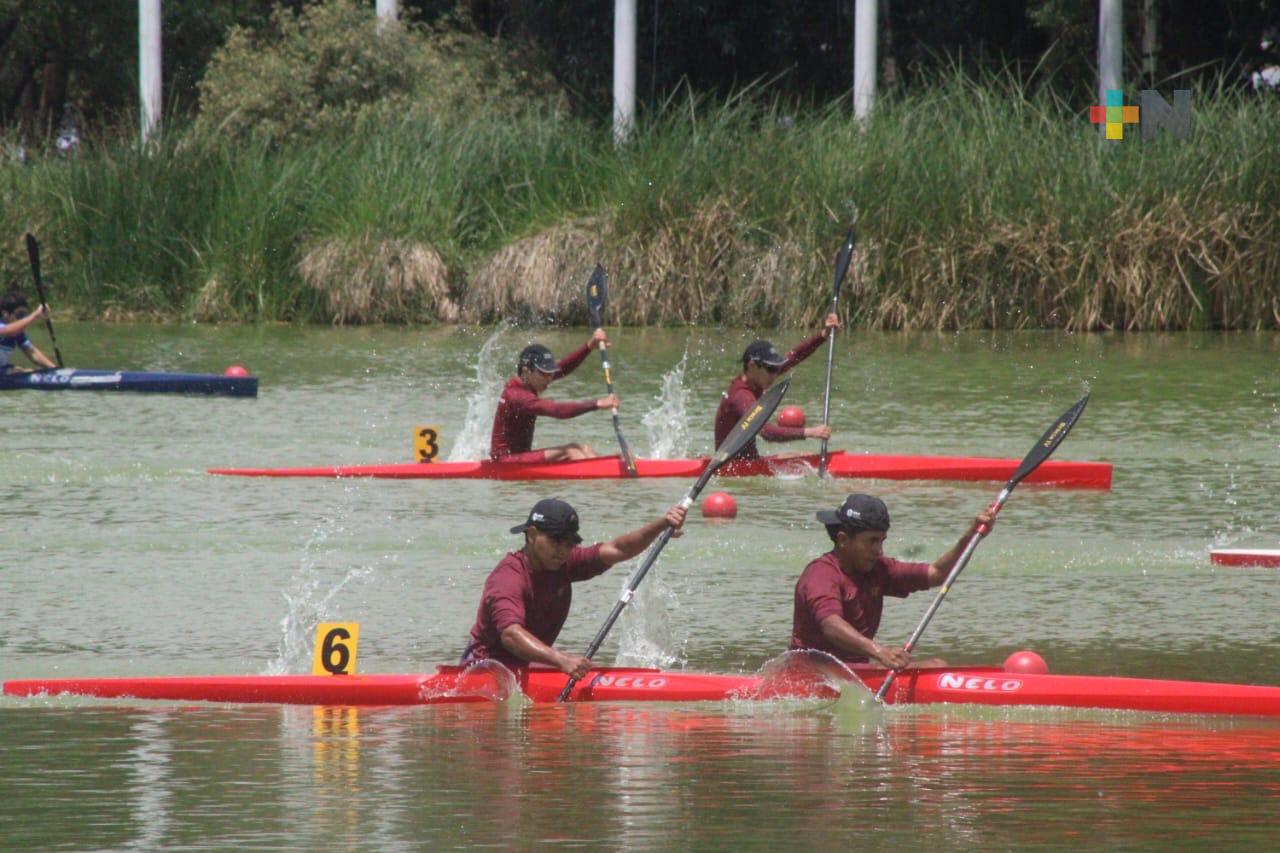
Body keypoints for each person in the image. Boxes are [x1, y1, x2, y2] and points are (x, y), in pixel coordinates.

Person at [461, 497, 689, 678]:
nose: (563, 550)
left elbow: (618, 549)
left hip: (528, 668)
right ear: (531, 535)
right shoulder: (508, 578)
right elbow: (510, 635)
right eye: (556, 541)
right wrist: (562, 660)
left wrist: (661, 525)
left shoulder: (564, 562)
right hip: (485, 673)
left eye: (570, 543)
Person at [790, 493, 996, 670]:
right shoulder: (821, 574)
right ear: (843, 540)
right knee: (936, 666)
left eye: (881, 540)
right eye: (871, 541)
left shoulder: (879, 569)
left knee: (937, 666)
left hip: (856, 672)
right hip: (813, 673)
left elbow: (937, 574)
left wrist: (971, 536)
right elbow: (831, 626)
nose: (879, 550)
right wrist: (880, 652)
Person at [714, 313, 840, 461]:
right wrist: (811, 432)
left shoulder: (759, 378)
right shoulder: (741, 396)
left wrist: (823, 335)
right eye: (771, 370)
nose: (775, 375)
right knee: (799, 461)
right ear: (752, 365)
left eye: (776, 369)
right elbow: (766, 432)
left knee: (799, 458)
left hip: (751, 461)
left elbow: (794, 357)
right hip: (732, 467)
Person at [489, 331, 619, 462]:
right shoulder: (516, 395)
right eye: (545, 373)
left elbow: (564, 367)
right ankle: (599, 477)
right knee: (571, 450)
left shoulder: (531, 379)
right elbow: (556, 410)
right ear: (526, 371)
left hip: (522, 457)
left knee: (585, 449)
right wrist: (596, 404)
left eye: (551, 373)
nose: (549, 378)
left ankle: (606, 473)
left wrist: (589, 346)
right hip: (505, 461)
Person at [1, 291, 56, 373]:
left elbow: (32, 353)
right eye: (19, 315)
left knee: (23, 370)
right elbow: (7, 331)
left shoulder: (17, 332)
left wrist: (55, 369)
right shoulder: (9, 330)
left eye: (24, 315)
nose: (22, 318)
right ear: (5, 313)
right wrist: (36, 315)